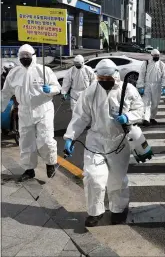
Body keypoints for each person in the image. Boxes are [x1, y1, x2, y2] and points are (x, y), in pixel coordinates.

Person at [63, 59, 144, 227]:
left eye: (108, 79)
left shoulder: (127, 90)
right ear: (97, 77)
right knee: (93, 177)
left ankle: (118, 209)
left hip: (119, 142)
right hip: (96, 141)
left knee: (116, 180)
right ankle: (95, 212)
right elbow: (80, 116)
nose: (105, 82)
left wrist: (128, 117)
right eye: (101, 79)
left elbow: (140, 110)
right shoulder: (91, 91)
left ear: (115, 75)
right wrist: (70, 137)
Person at [1, 44, 61, 181]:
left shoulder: (44, 70)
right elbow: (5, 93)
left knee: (45, 140)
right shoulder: (14, 74)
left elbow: (57, 87)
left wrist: (50, 90)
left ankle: (50, 163)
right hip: (24, 111)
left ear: (33, 56)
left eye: (27, 55)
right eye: (22, 56)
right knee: (26, 142)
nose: (25, 58)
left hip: (43, 110)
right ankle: (29, 170)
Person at [136, 49, 165, 126]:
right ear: (152, 55)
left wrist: (164, 86)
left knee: (155, 103)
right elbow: (142, 75)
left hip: (157, 86)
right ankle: (146, 119)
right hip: (147, 85)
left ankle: (152, 118)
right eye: (155, 56)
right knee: (146, 102)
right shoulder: (146, 63)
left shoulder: (161, 64)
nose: (156, 57)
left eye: (157, 56)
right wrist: (140, 86)